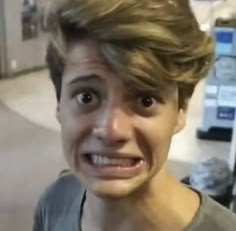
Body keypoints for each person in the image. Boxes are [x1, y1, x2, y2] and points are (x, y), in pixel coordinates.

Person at [33, 0, 236, 230]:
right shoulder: (54, 204)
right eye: (86, 97)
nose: (112, 131)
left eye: (145, 100)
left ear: (181, 110)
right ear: (59, 104)